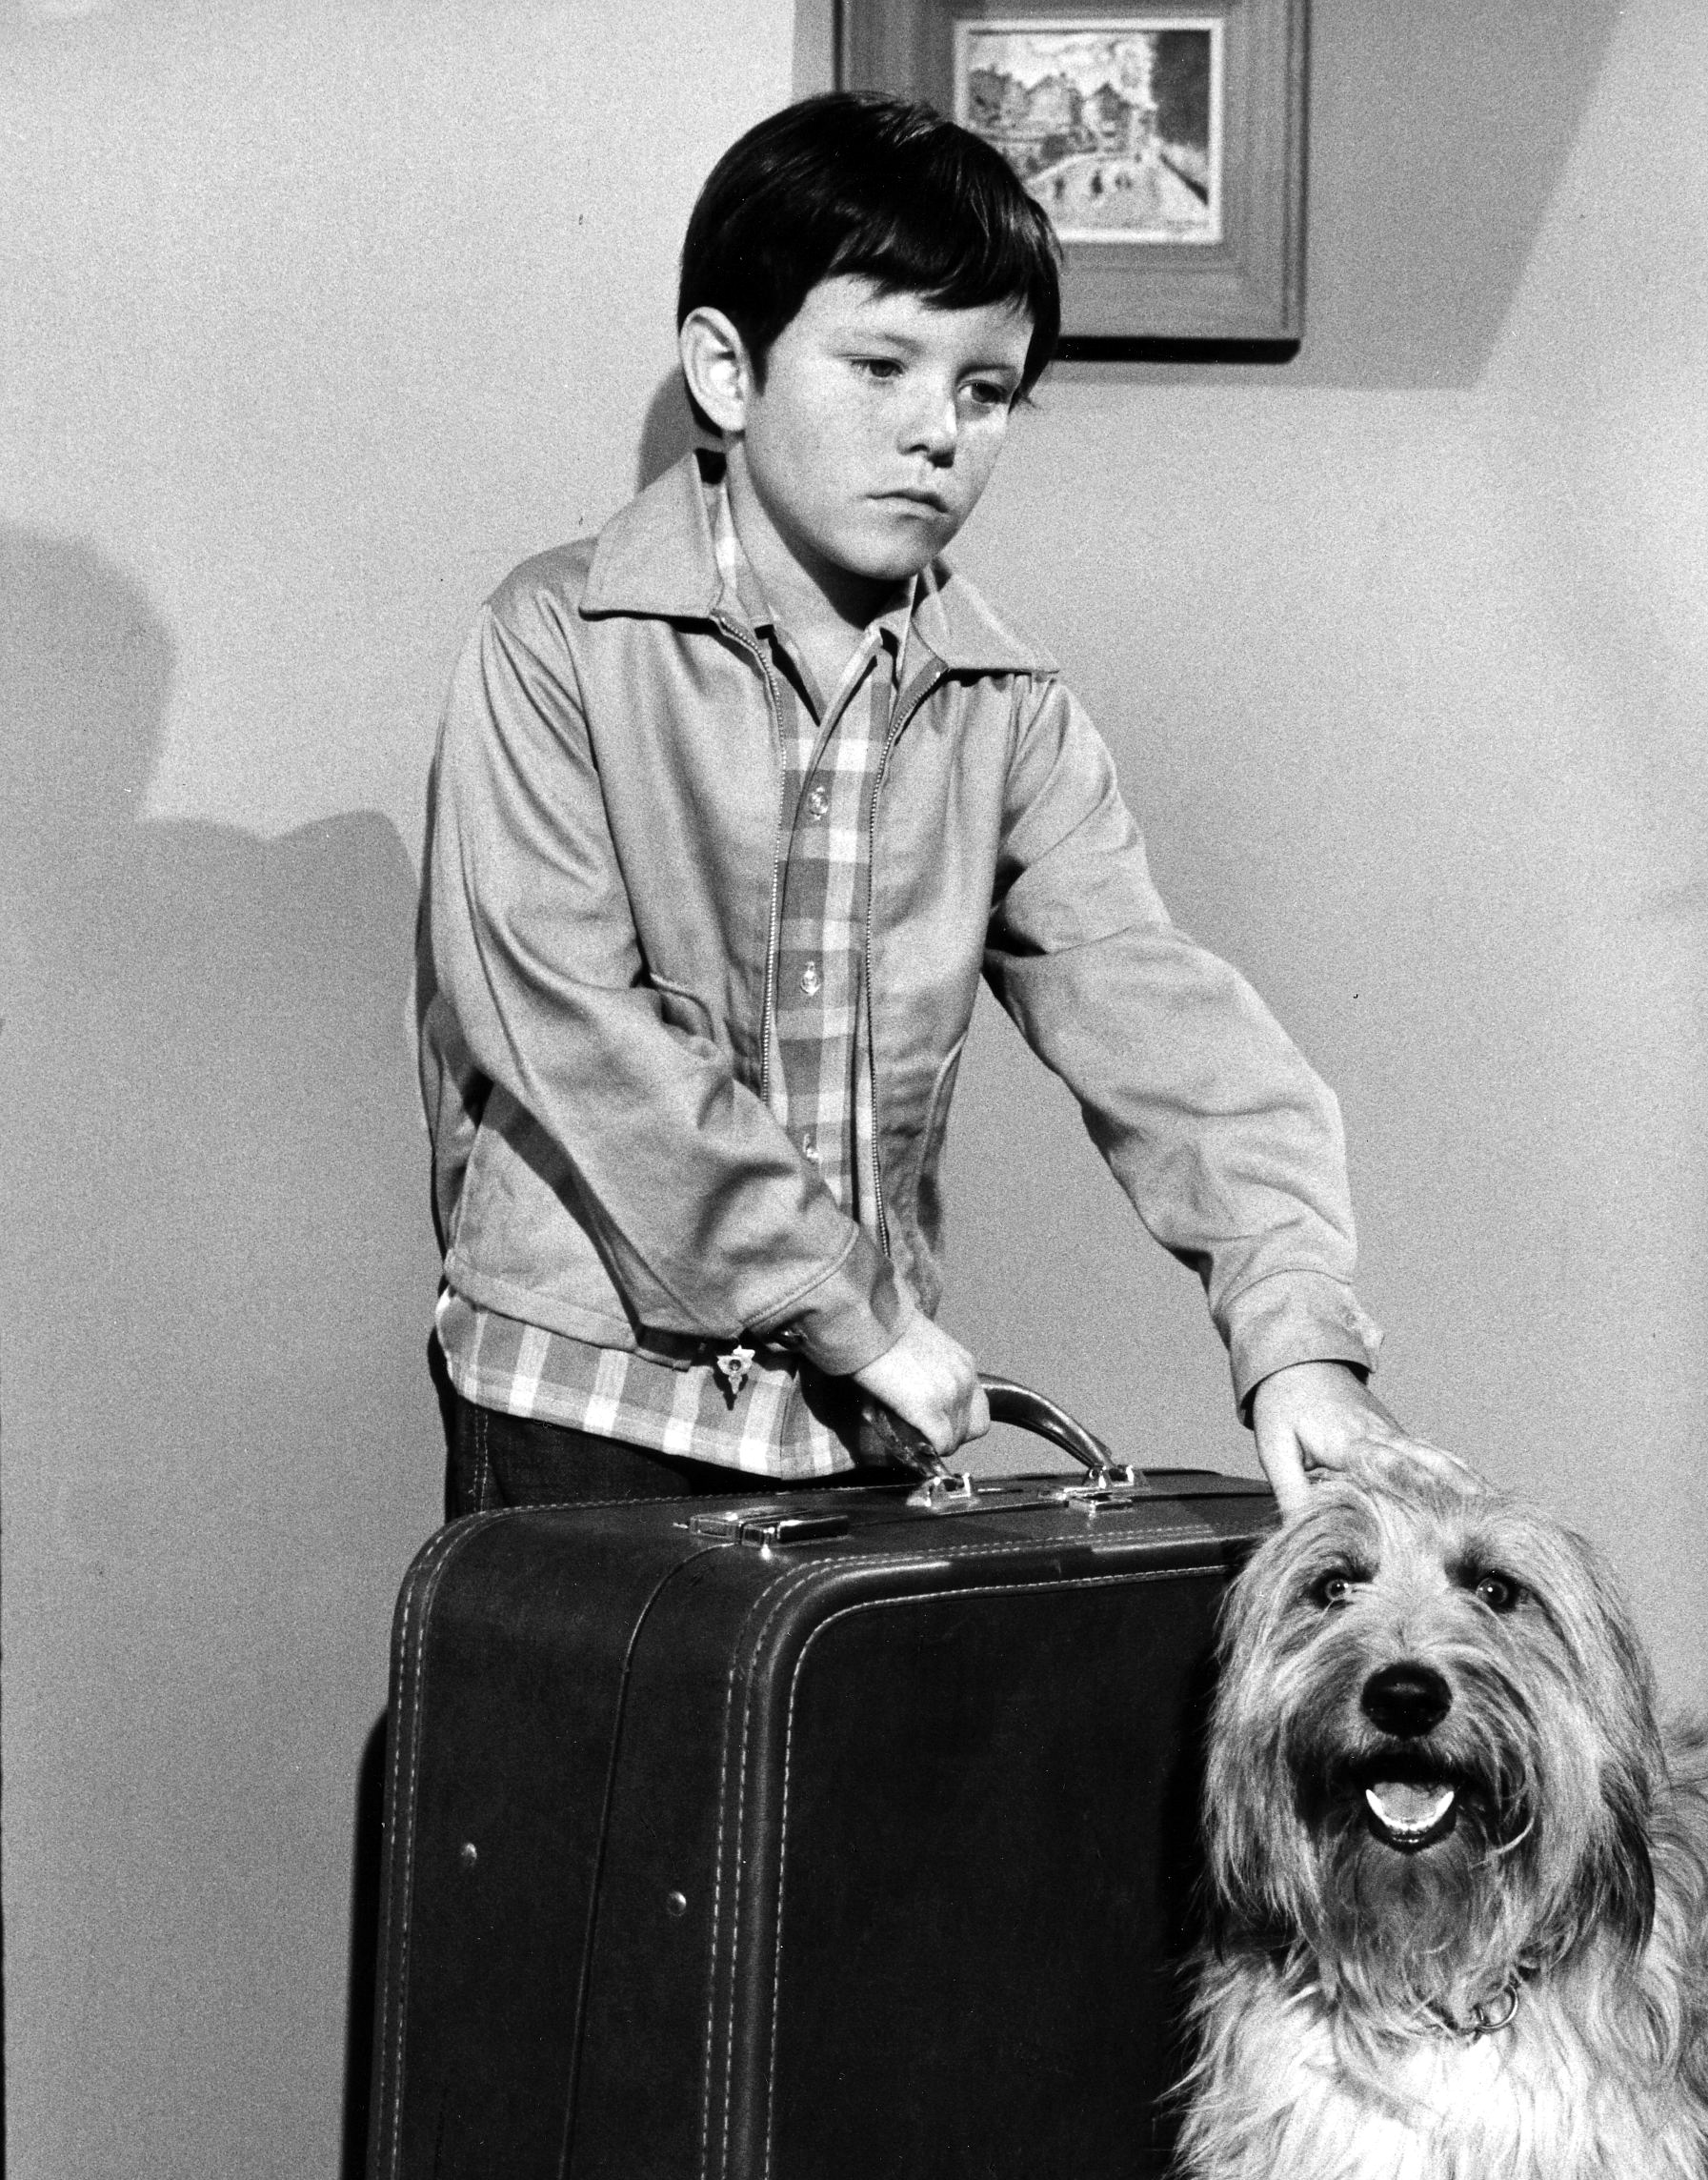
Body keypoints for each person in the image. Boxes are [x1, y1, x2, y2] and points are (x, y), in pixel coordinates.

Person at [418, 91, 1410, 1521]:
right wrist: (851, 1310)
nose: (935, 431)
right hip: (586, 1399)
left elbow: (1153, 1011)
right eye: (878, 364)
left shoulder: (1006, 705)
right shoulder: (555, 639)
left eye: (984, 389)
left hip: (849, 1422)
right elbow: (568, 1020)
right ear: (725, 369)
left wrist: (1297, 1340)